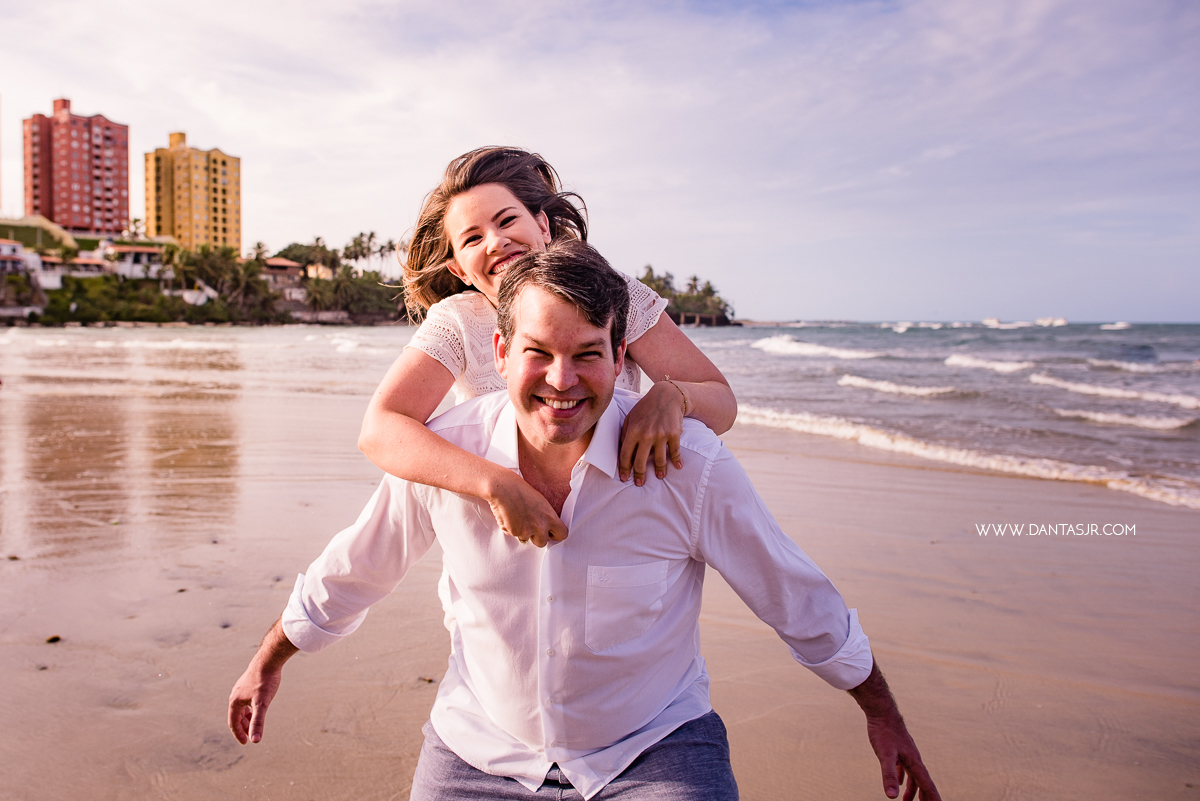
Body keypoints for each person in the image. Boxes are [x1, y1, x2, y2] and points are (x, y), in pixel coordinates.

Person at [229, 241, 940, 801]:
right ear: (501, 352)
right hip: (479, 749)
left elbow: (793, 593)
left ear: (620, 354)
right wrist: (269, 658)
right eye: (538, 352)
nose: (562, 380)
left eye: (587, 355)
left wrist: (883, 712)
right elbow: (358, 565)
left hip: (653, 748)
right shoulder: (449, 455)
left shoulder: (689, 462)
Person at [357, 146, 737, 547]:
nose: (496, 241)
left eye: (507, 220)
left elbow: (722, 403)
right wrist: (496, 483)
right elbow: (381, 429)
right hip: (502, 537)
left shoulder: (612, 292)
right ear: (458, 269)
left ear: (542, 226)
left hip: (616, 513)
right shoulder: (458, 321)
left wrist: (672, 396)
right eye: (472, 238)